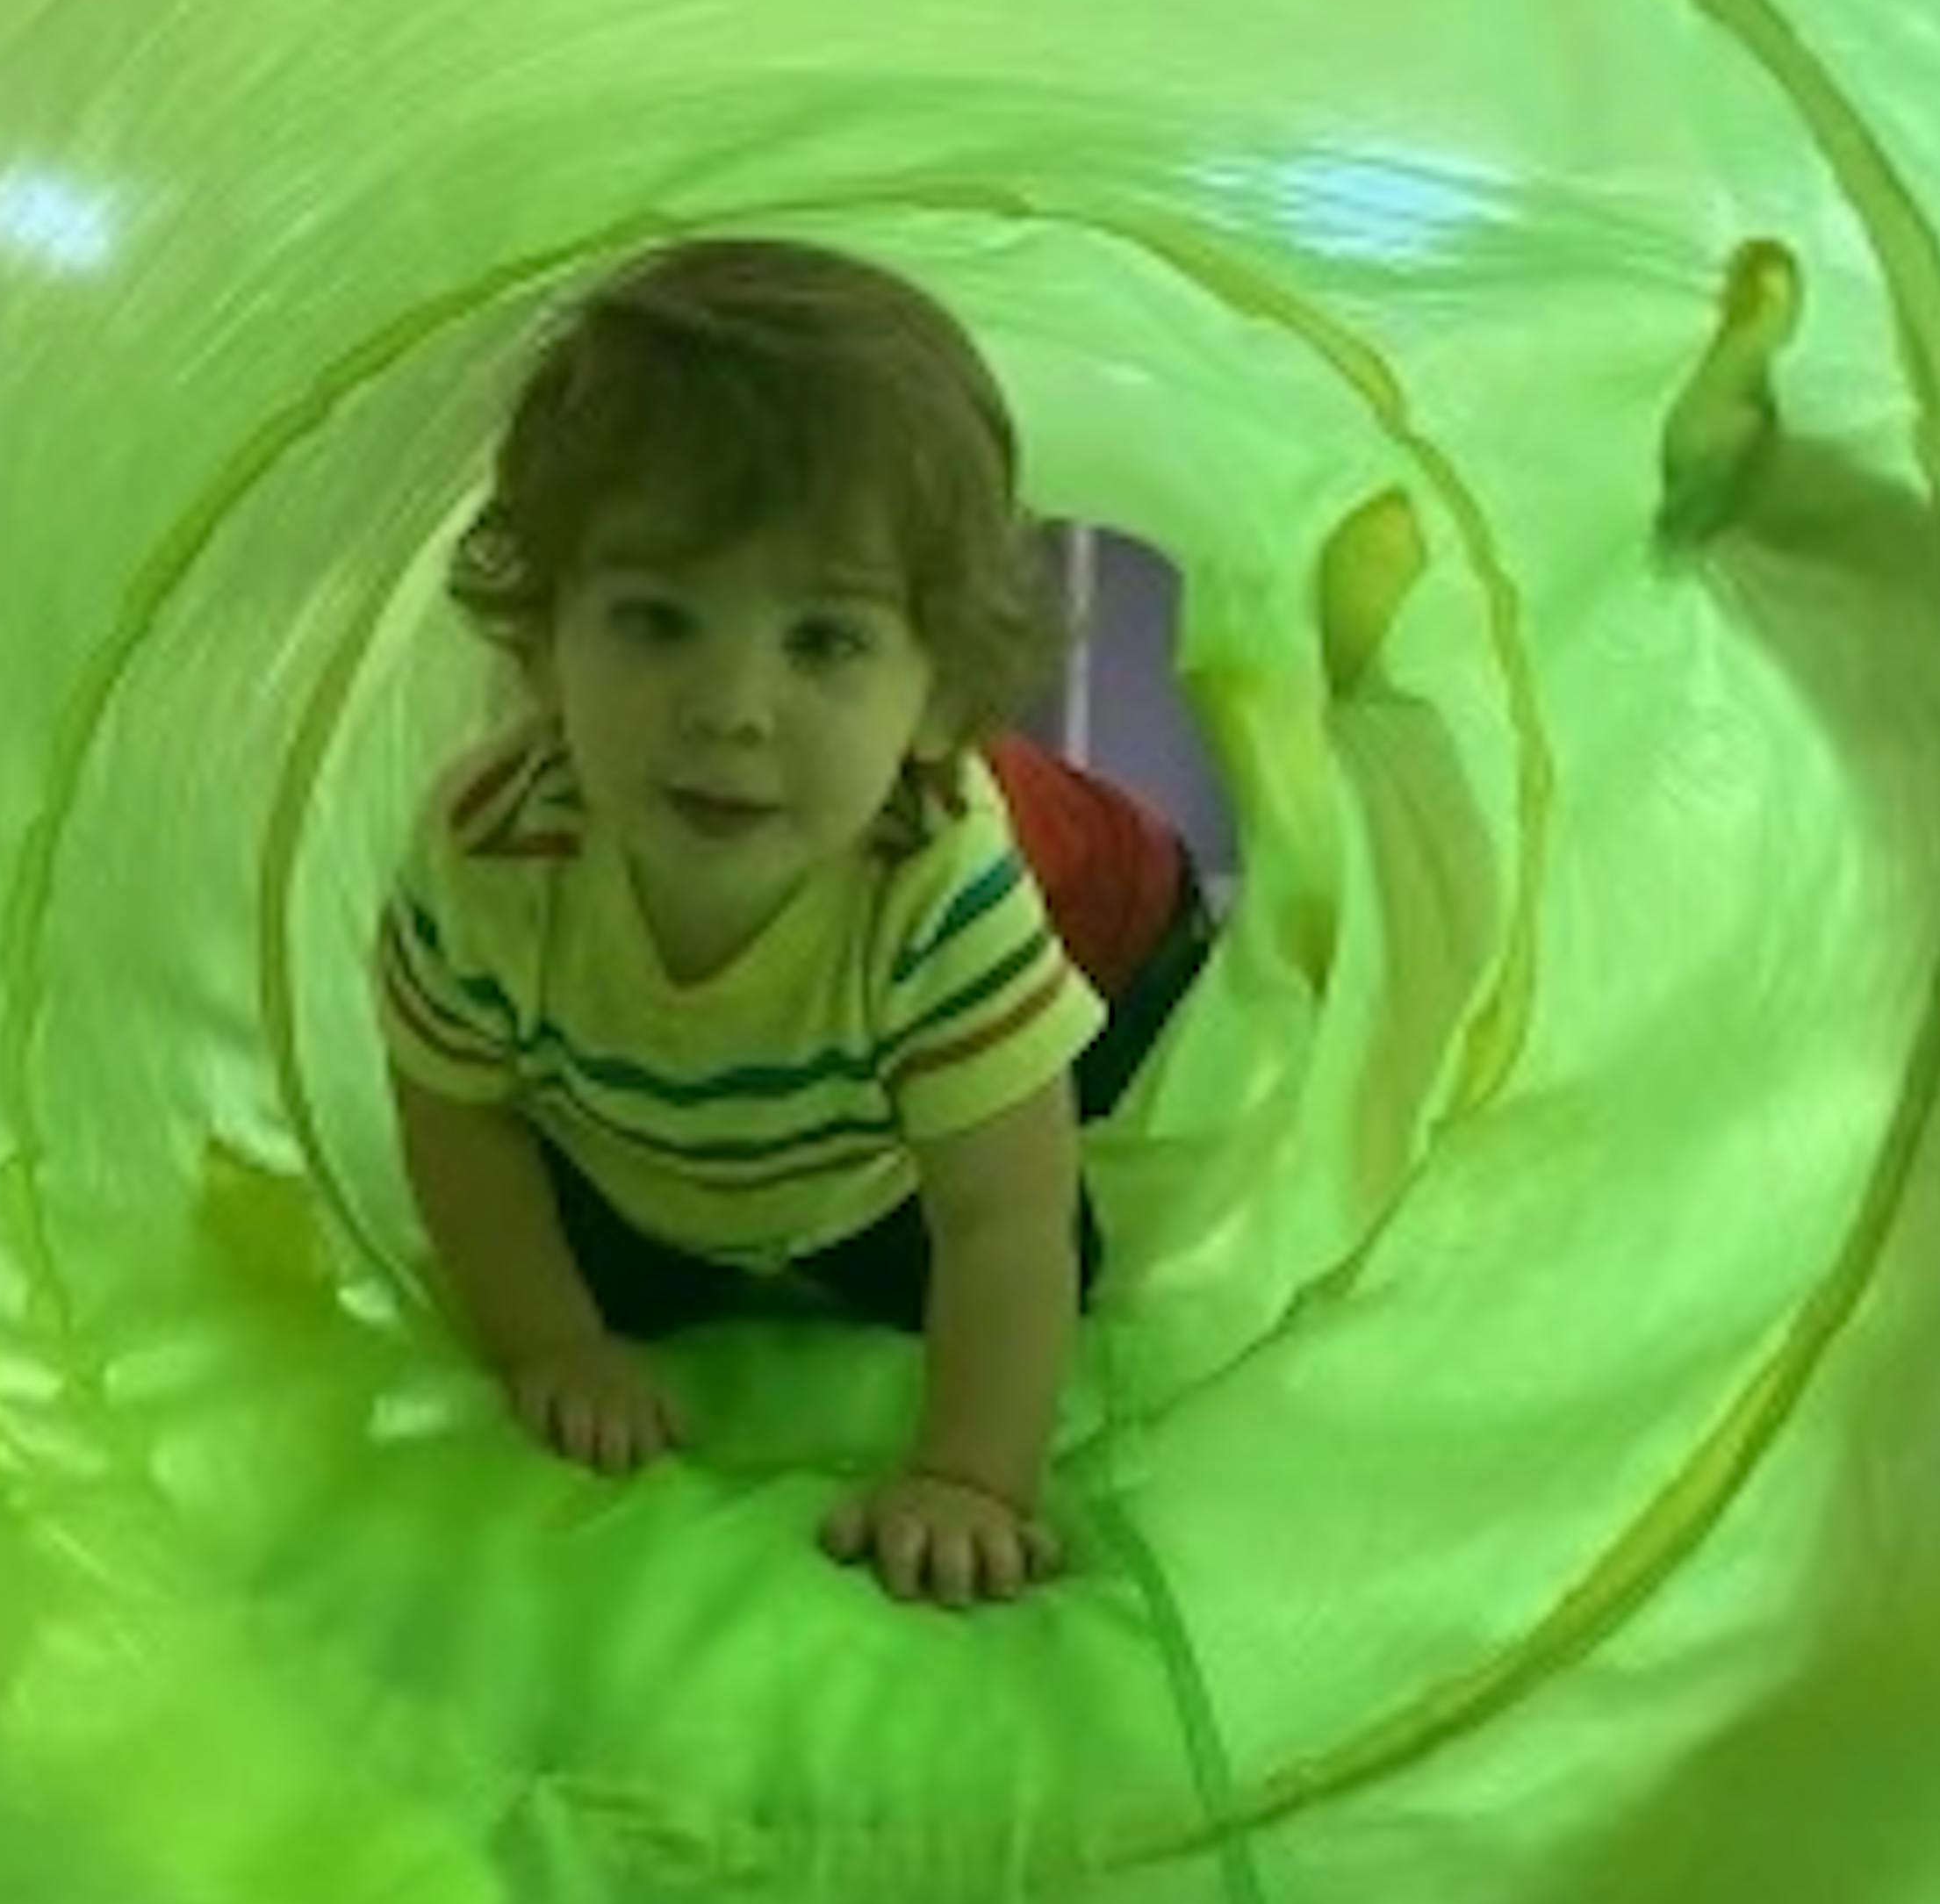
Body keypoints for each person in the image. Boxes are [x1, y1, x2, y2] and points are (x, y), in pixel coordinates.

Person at [374, 237, 1411, 1610]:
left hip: (983, 1069)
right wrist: (553, 1346)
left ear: (940, 696)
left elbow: (1004, 1214)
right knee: (599, 1263)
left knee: (1067, 1242)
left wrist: (974, 1479)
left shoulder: (937, 884)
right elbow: (460, 1120)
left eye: (823, 642)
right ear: (538, 640)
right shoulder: (492, 850)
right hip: (671, 1132)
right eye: (655, 620)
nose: (729, 709)